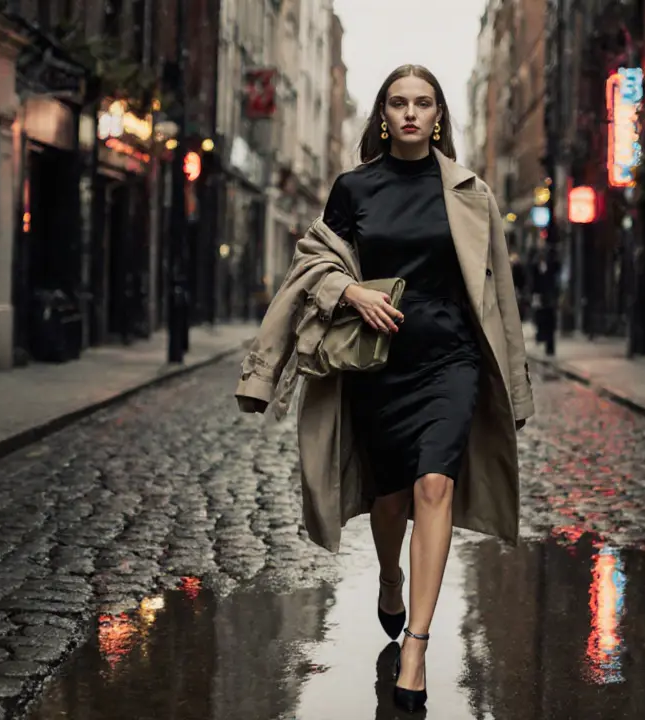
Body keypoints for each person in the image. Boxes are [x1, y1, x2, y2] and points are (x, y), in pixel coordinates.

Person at [234, 63, 533, 714]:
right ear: (381, 114)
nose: (410, 114)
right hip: (377, 368)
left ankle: (417, 647)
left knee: (435, 486)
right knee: (391, 498)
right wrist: (350, 290)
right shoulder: (354, 188)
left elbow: (501, 296)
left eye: (423, 103)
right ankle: (392, 577)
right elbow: (312, 262)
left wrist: (514, 379)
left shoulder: (469, 191)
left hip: (452, 361)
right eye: (398, 103)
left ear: (438, 116)